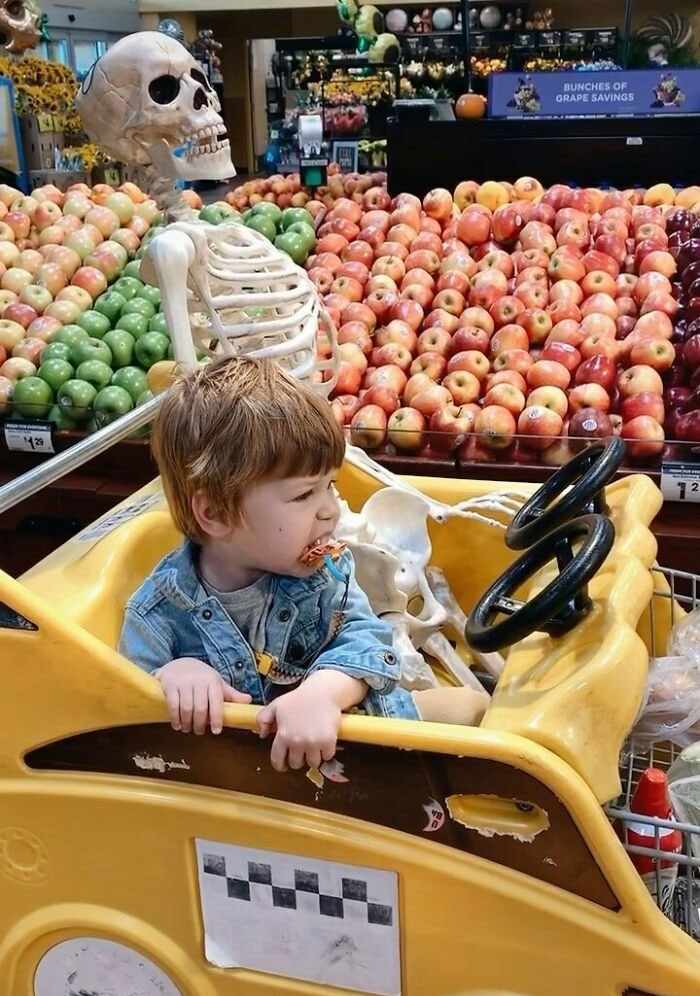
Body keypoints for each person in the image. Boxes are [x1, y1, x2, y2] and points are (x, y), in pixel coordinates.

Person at [119, 356, 487, 771]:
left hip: (358, 736)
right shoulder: (157, 614)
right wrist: (172, 677)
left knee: (474, 709)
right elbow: (126, 720)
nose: (330, 510)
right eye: (303, 495)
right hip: (244, 779)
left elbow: (367, 637)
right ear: (216, 514)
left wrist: (322, 695)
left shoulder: (325, 572)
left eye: (329, 485)